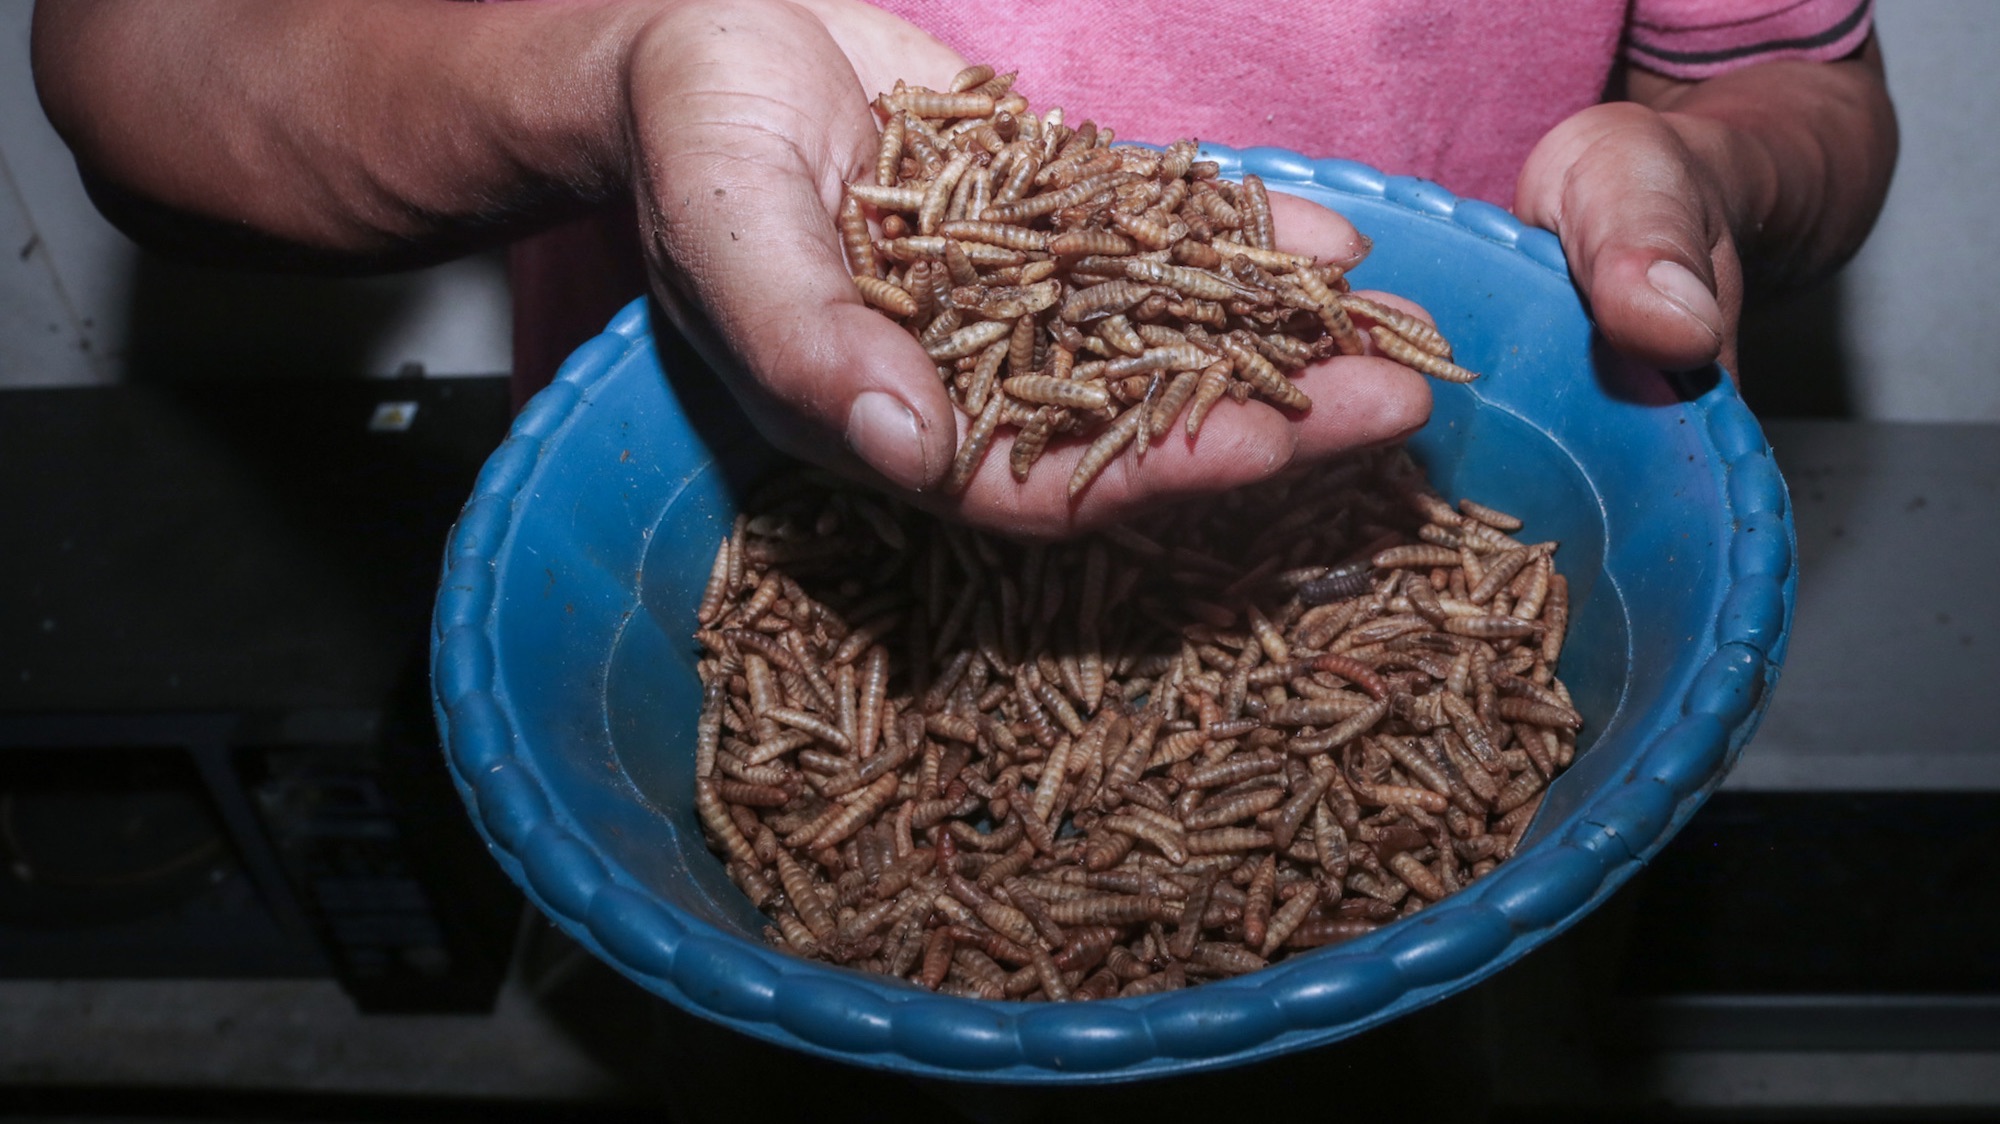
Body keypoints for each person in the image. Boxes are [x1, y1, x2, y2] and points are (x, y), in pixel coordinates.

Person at [30, 0, 1895, 537]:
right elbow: (141, 59)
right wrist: (612, 77)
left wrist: (1705, 179)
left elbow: (1796, 82)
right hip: (743, 549)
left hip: (1437, 523)